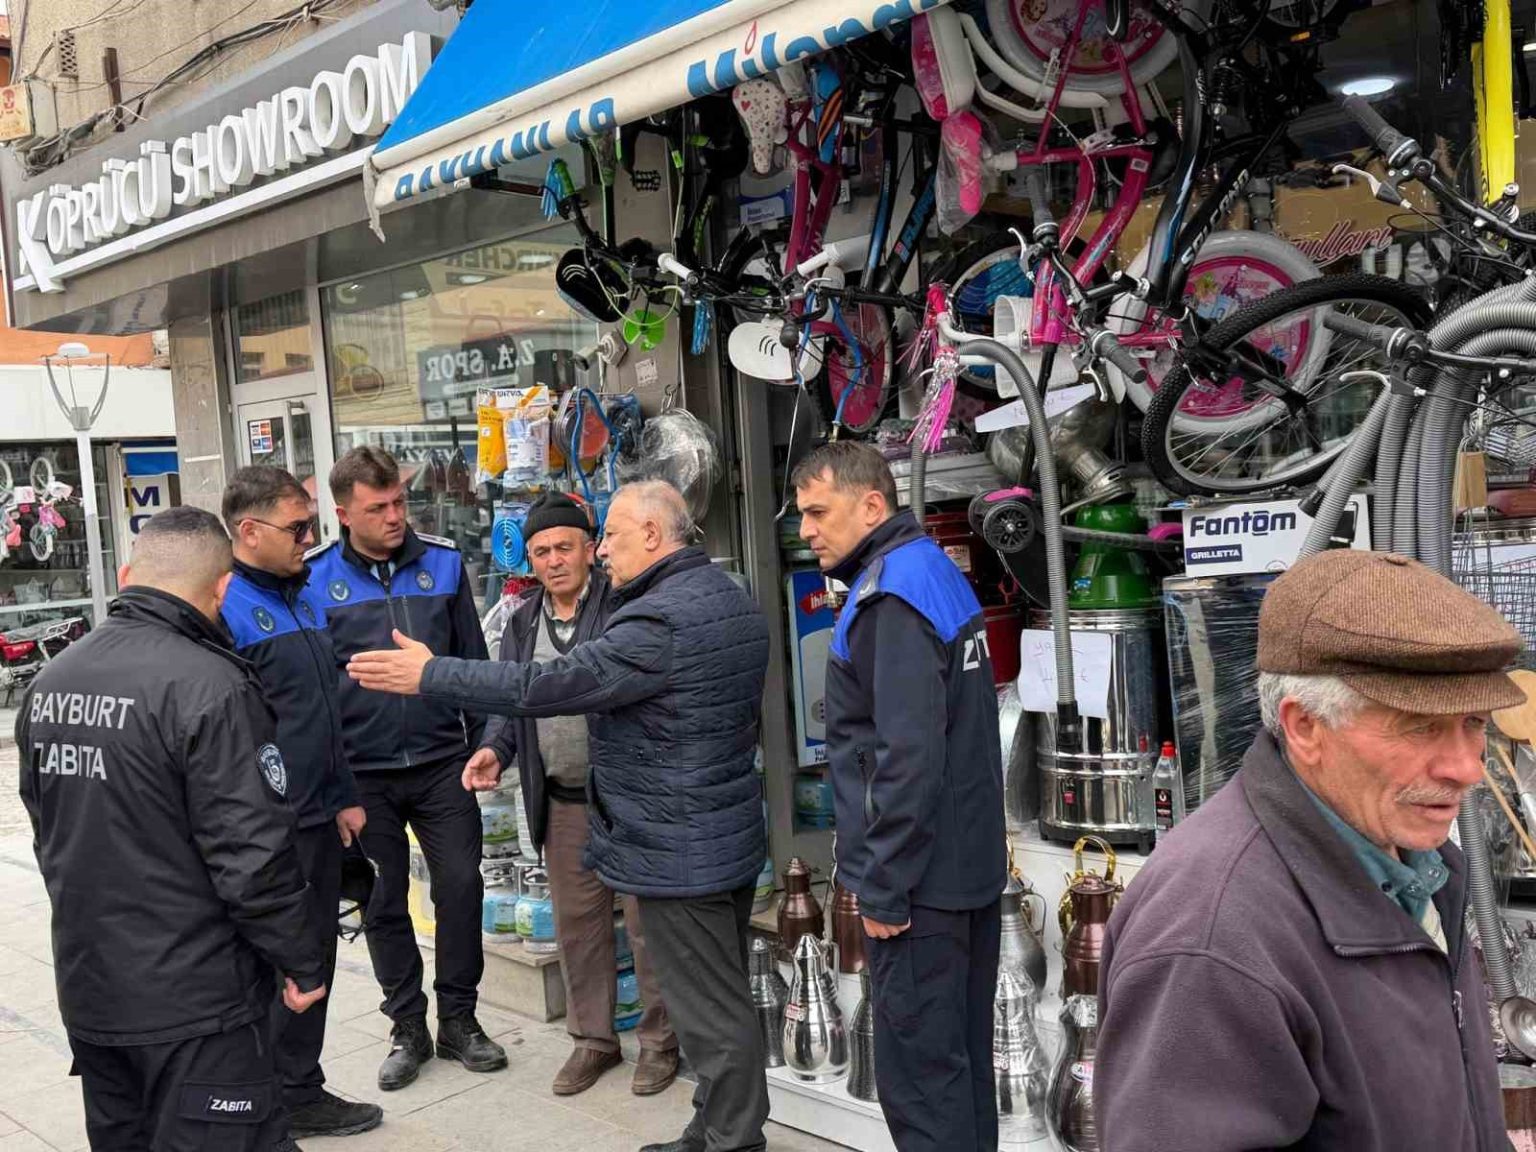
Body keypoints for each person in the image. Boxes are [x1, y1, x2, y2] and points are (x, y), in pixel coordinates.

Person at [347, 480, 771, 1152]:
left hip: (678, 840)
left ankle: (731, 1138)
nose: (602, 551)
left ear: (653, 536)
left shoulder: (655, 620)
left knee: (707, 1004)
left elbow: (547, 684)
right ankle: (719, 1123)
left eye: (611, 537)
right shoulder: (727, 596)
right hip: (718, 827)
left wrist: (432, 674)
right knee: (717, 993)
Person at [1096, 549, 1515, 1152]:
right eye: (1421, 725)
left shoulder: (1412, 862)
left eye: (1473, 721)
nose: (1467, 768)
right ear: (1305, 727)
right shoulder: (1211, 940)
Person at [16, 506, 327, 1152]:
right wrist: (298, 958)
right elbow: (253, 856)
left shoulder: (49, 683)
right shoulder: (213, 687)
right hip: (198, 1006)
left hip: (94, 993)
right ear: (223, 588)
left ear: (127, 576)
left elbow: (49, 831)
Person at [793, 440, 1006, 1152]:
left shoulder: (889, 596)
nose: (807, 530)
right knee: (959, 1068)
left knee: (921, 1083)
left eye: (819, 512)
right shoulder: (931, 569)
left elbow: (906, 757)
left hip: (919, 889)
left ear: (871, 505)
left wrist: (883, 887)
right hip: (962, 869)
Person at [306, 446, 506, 1090]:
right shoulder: (312, 578)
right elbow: (312, 689)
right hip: (363, 775)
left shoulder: (442, 562)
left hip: (443, 762)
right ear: (344, 514)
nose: (395, 516)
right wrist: (330, 780)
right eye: (378, 508)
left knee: (461, 887)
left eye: (399, 502)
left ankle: (460, 1020)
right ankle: (408, 1027)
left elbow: (473, 665)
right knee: (383, 899)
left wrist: (488, 742)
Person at [470, 491, 680, 1097]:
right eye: (541, 552)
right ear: (529, 560)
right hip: (563, 802)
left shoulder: (622, 608)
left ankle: (660, 1042)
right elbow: (511, 705)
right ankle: (594, 1041)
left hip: (629, 799)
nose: (554, 560)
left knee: (645, 925)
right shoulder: (520, 623)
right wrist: (494, 750)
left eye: (564, 547)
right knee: (578, 928)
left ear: (591, 549)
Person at [220, 465, 383, 1140]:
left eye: (310, 524)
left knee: (314, 956)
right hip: (265, 828)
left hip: (319, 816)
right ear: (249, 531)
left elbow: (323, 711)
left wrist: (344, 795)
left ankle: (299, 1088)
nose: (309, 538)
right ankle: (261, 1098)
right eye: (297, 527)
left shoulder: (306, 595)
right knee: (272, 964)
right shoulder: (224, 609)